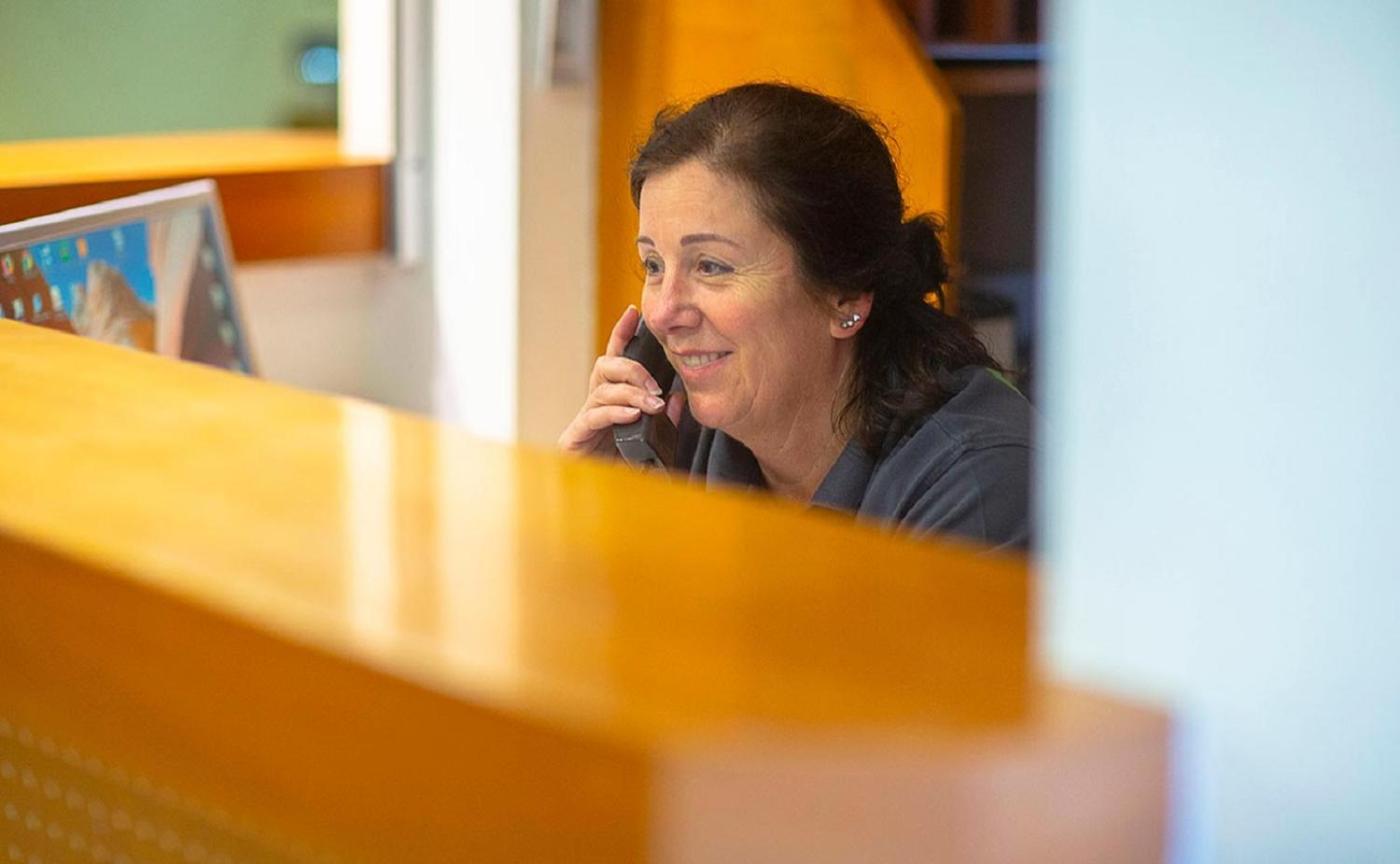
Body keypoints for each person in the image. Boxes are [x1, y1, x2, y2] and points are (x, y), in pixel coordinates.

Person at [559, 82, 1032, 550]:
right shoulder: (680, 435)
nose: (663, 314)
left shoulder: (977, 484)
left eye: (711, 267)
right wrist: (601, 514)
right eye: (654, 266)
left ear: (845, 296)